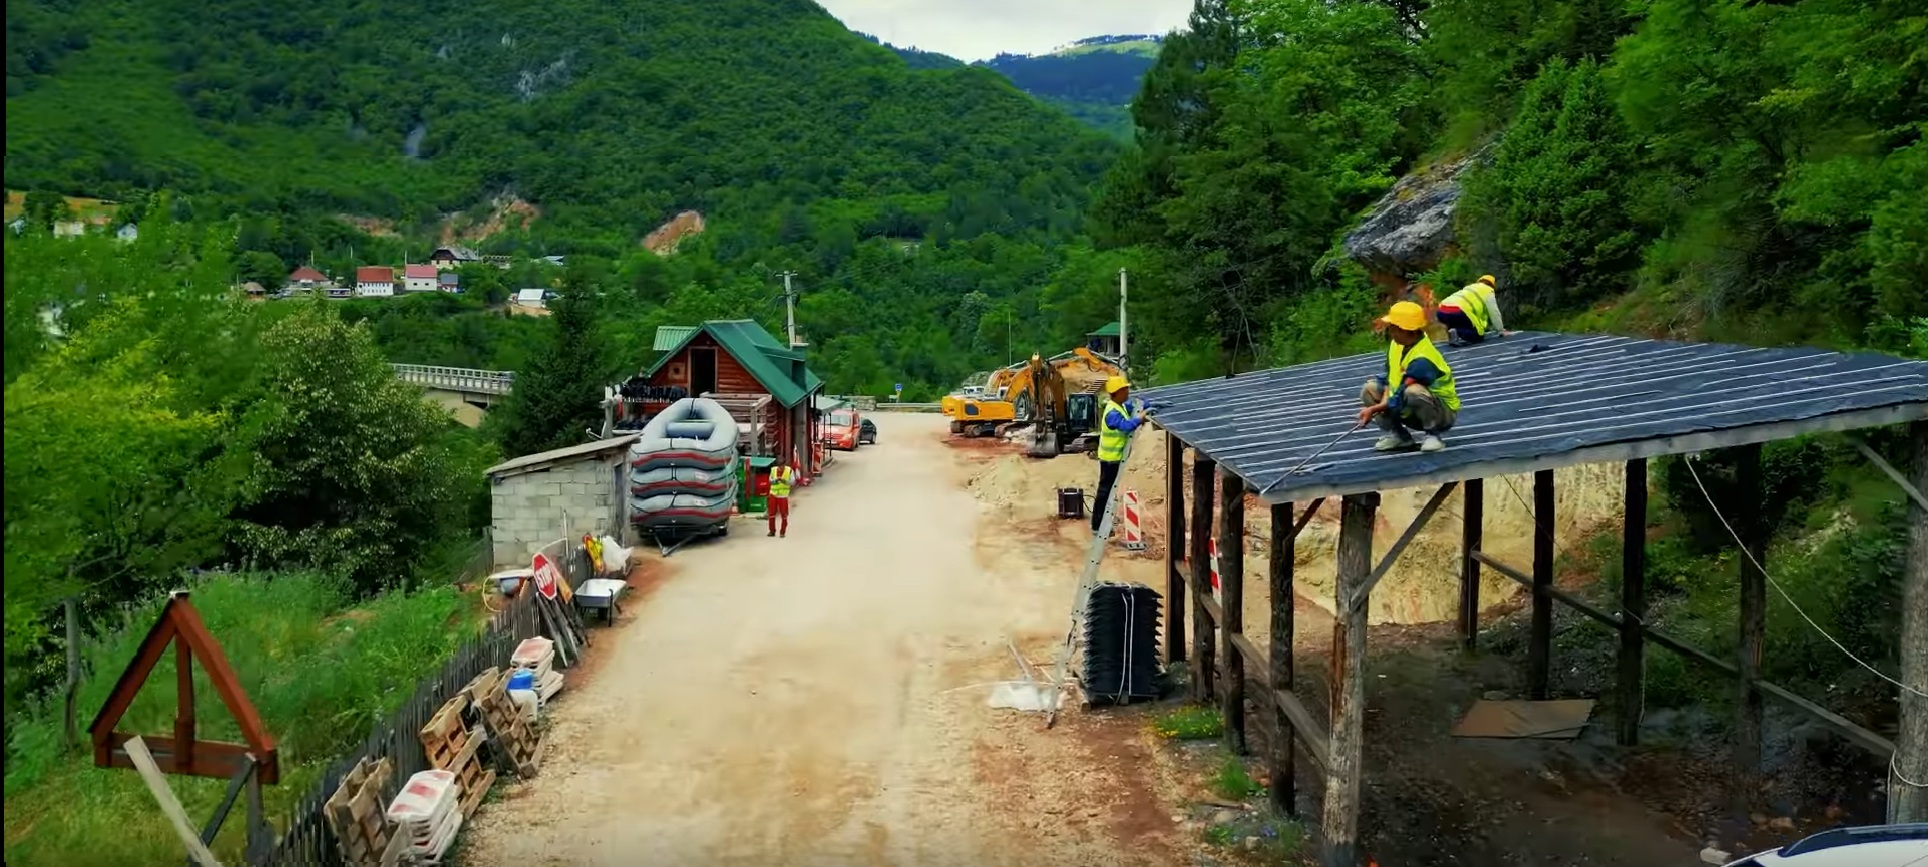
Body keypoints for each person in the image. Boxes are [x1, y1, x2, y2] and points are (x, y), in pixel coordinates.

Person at [1359, 301, 1460, 453]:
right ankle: (1400, 436)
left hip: (1440, 413)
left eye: (1394, 328)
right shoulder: (1397, 344)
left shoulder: (1423, 357)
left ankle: (1432, 435)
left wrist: (1374, 409)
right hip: (1407, 406)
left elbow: (1400, 395)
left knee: (1413, 391)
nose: (1390, 332)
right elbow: (1390, 381)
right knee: (1369, 389)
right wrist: (1377, 404)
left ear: (1408, 331)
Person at [1092, 375, 1147, 533]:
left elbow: (1134, 405)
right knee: (1105, 492)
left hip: (1114, 458)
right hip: (1110, 459)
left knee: (1108, 492)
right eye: (1125, 389)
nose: (1128, 392)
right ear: (1118, 392)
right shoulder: (1112, 413)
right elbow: (1125, 426)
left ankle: (1102, 523)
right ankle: (1097, 525)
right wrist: (1139, 419)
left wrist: (1149, 405)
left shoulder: (1119, 405)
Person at [1436, 274, 1512, 345]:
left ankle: (1453, 331)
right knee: (1478, 336)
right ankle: (1457, 332)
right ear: (1492, 285)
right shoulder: (1488, 291)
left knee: (1460, 323)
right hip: (1458, 311)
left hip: (1441, 310)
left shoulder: (1469, 287)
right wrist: (1501, 330)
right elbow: (1494, 312)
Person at [767, 453, 797, 538]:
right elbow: (770, 480)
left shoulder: (789, 471)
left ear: (784, 464)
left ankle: (782, 532)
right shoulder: (773, 470)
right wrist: (775, 480)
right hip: (773, 494)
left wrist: (785, 481)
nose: (781, 468)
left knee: (784, 514)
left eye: (782, 466)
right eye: (779, 466)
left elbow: (793, 482)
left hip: (783, 496)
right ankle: (772, 531)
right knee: (771, 514)